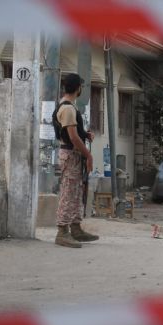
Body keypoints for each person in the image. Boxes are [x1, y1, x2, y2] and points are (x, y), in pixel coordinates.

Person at [53, 73, 99, 248]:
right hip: (71, 155)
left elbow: (72, 133)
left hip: (73, 155)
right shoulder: (68, 109)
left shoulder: (68, 106)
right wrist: (88, 155)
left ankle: (75, 228)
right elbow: (72, 137)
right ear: (78, 88)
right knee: (68, 194)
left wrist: (85, 134)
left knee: (76, 193)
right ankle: (62, 232)